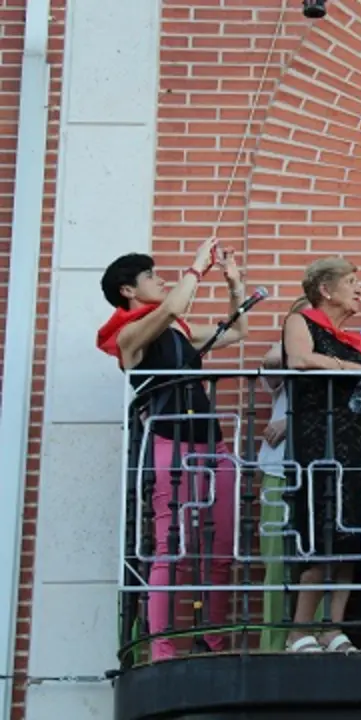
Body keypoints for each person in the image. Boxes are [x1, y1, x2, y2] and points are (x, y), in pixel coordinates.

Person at [96, 237, 247, 661]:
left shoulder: (177, 328)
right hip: (169, 442)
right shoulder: (129, 335)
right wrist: (196, 267)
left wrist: (232, 283)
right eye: (150, 276)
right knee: (171, 548)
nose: (159, 280)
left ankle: (212, 642)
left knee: (221, 552)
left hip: (211, 443)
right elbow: (172, 308)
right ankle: (161, 648)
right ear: (128, 290)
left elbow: (236, 332)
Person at [280, 257, 361, 653]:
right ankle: (299, 631)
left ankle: (332, 627)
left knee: (351, 537)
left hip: (355, 441)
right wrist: (352, 367)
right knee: (321, 531)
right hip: (318, 440)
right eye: (350, 282)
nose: (359, 290)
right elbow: (299, 360)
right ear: (325, 290)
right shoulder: (303, 321)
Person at [255, 297, 310, 651]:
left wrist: (292, 422)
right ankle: (274, 641)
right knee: (276, 559)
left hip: (319, 465)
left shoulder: (337, 351)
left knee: (319, 559)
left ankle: (314, 632)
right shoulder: (286, 350)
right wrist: (290, 346)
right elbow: (272, 367)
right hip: (279, 465)